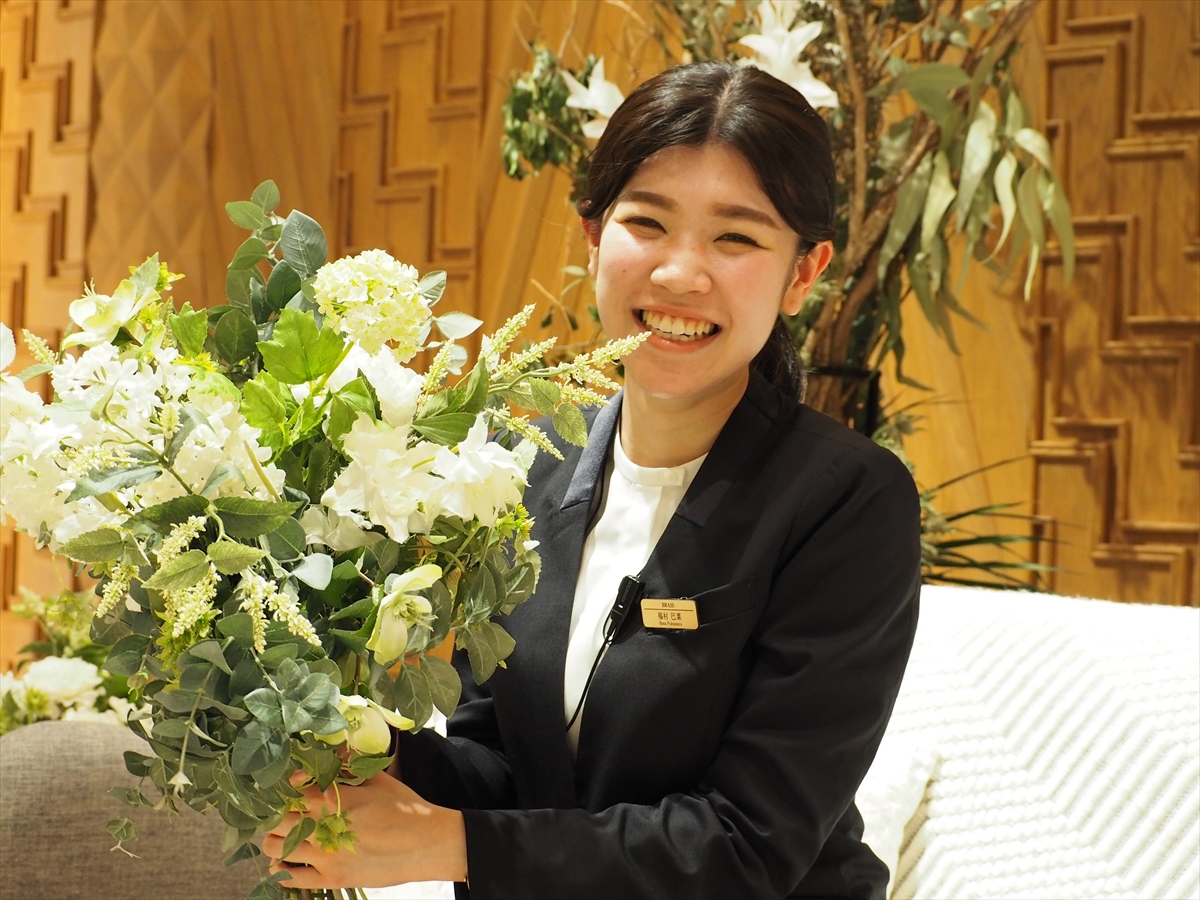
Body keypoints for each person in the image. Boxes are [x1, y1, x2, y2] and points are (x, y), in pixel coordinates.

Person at [264, 60, 922, 899]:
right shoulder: (520, 469)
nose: (680, 273)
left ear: (804, 272)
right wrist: (361, 747)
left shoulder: (847, 501)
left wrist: (453, 845)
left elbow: (747, 846)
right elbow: (506, 770)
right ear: (592, 237)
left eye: (735, 238)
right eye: (648, 222)